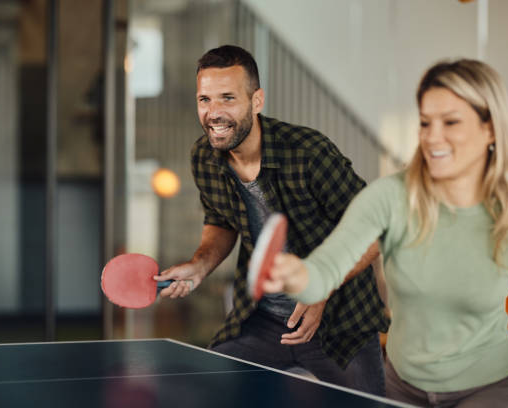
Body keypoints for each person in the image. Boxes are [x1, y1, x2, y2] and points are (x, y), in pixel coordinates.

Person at [263, 59, 508, 407]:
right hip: (404, 384)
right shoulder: (392, 197)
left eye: (451, 122)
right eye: (426, 123)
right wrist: (295, 274)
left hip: (488, 385)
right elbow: (327, 268)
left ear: (490, 128)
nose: (433, 137)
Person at [154, 45, 389, 396]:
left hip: (339, 322)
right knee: (210, 395)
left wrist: (321, 287)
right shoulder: (204, 155)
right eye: (205, 100)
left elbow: (374, 227)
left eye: (227, 98)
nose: (213, 113)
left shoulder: (308, 152)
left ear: (257, 101)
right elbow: (221, 220)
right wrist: (199, 265)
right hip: (263, 322)